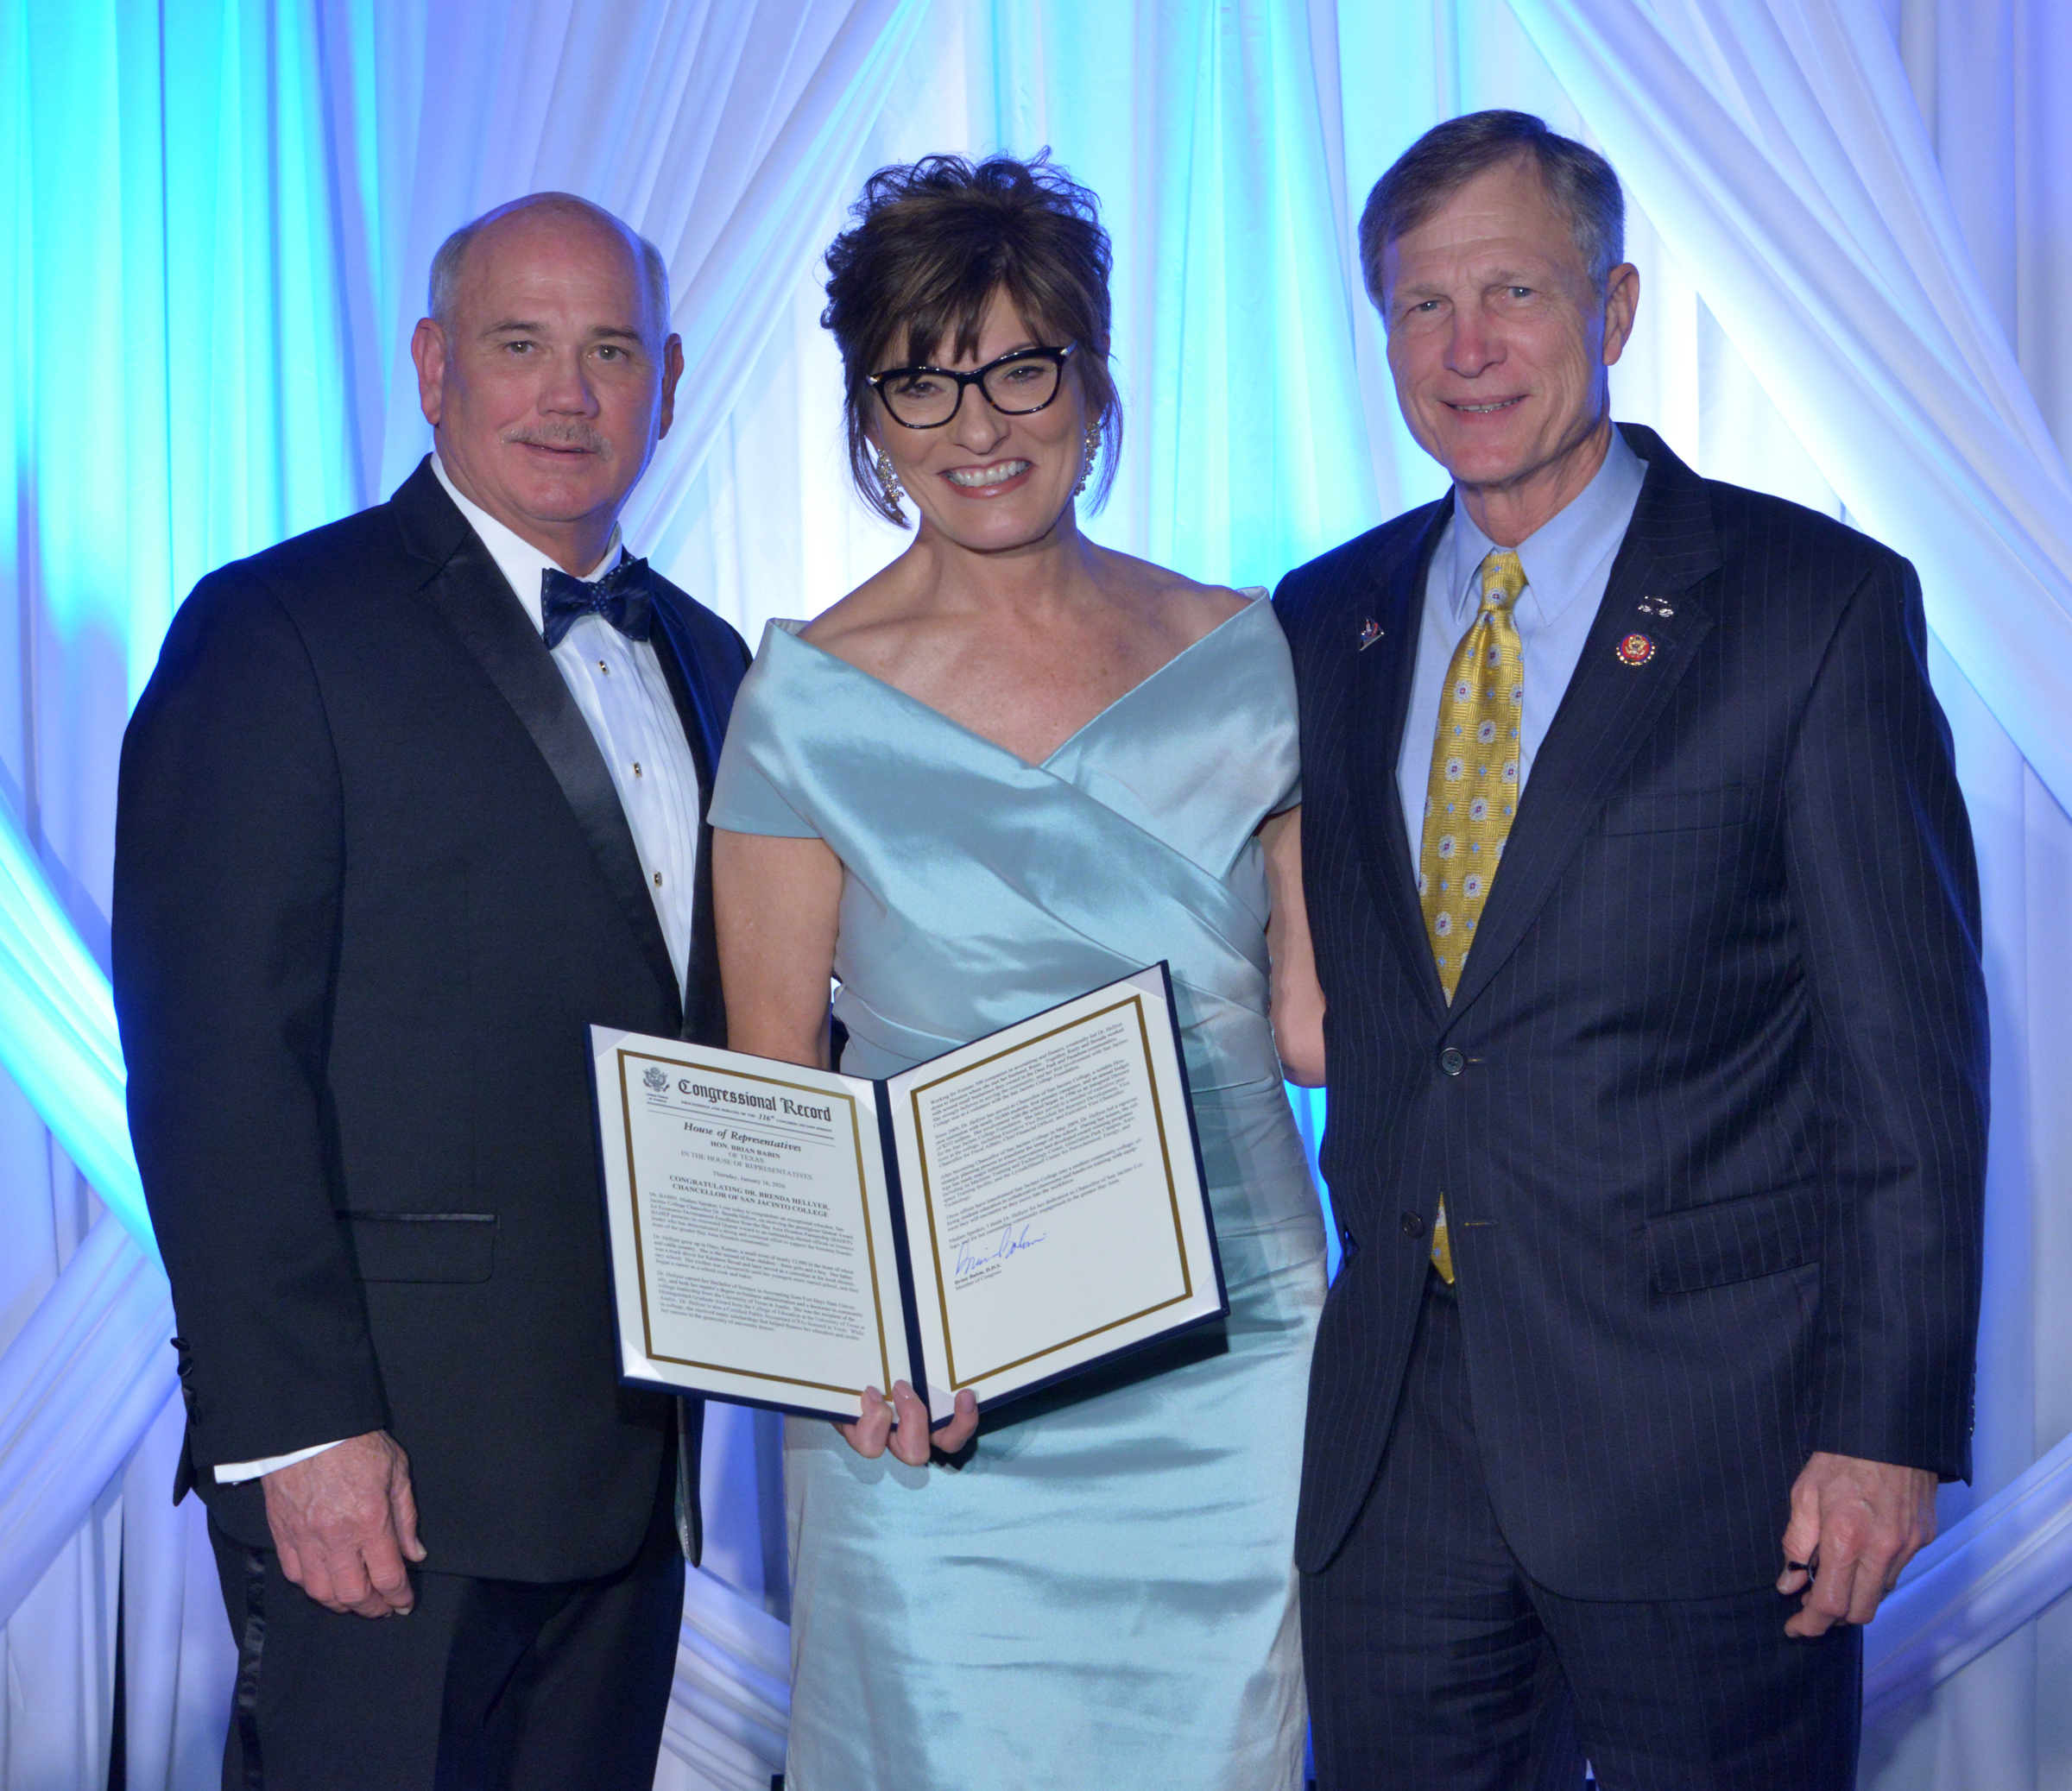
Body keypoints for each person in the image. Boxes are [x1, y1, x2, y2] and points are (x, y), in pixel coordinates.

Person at [1277, 110, 1989, 1788]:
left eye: (1514, 291)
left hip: (1710, 1444)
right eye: (1420, 305)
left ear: (1615, 308)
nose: (1467, 349)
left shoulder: (1812, 605)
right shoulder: (1326, 617)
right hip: (1400, 1443)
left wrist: (1885, 1432)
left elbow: (1910, 1065)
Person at [112, 192, 750, 1788]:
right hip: (387, 1479)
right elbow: (211, 1066)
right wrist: (299, 1434)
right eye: (519, 344)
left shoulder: (714, 657)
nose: (569, 393)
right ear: (429, 366)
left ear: (666, 378)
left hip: (630, 1459)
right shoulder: (278, 630)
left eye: (610, 350)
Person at [709, 154, 1329, 1790]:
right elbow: (776, 1090)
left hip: (1243, 1364)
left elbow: (1325, 1026)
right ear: (868, 414)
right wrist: (854, 1365)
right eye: (921, 381)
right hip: (942, 1395)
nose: (976, 426)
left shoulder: (1246, 651)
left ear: (1092, 375)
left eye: (1019, 367)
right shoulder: (804, 704)